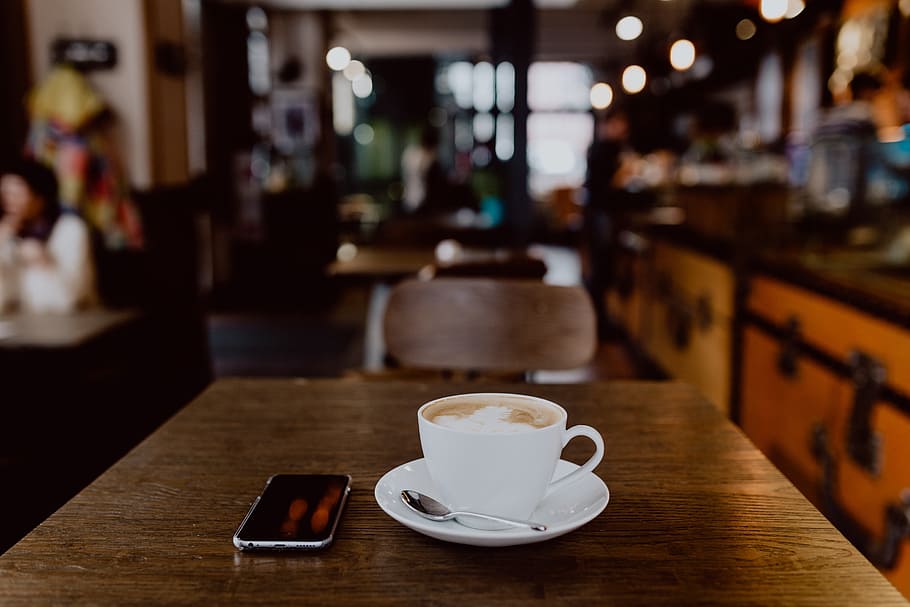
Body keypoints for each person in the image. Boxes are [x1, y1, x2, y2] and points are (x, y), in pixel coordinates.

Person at [0, 158, 98, 313]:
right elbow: (4, 301)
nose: (10, 202)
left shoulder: (70, 229)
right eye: (5, 194)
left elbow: (72, 299)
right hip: (24, 326)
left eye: (17, 194)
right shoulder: (8, 234)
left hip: (74, 325)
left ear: (39, 198)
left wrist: (46, 263)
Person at [582, 108, 638, 339]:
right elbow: (607, 186)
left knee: (602, 272)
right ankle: (599, 324)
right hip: (602, 217)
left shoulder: (604, 148)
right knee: (602, 272)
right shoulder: (604, 150)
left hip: (599, 217)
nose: (622, 129)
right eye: (618, 124)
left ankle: (599, 322)